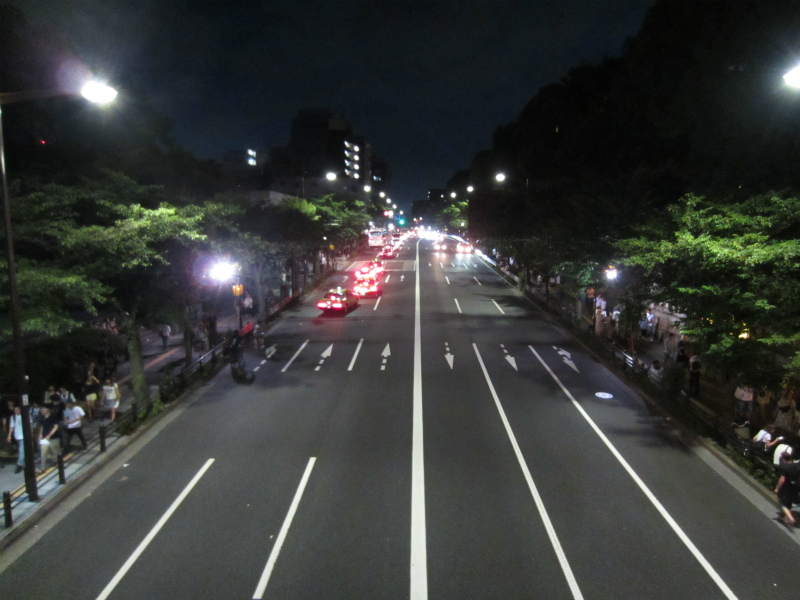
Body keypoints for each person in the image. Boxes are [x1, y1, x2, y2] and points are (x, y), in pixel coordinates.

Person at [774, 451, 800, 527]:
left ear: (782, 458)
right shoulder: (796, 466)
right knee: (789, 502)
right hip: (795, 487)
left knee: (782, 502)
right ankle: (786, 520)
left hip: (786, 487)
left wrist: (777, 488)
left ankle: (791, 518)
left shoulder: (785, 467)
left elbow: (782, 479)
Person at [38, 404, 61, 473]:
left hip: (54, 438)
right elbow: (42, 426)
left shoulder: (53, 416)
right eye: (42, 409)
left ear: (48, 410)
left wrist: (50, 434)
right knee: (43, 453)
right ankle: (42, 467)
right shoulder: (42, 417)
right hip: (45, 439)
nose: (42, 410)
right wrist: (40, 434)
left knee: (55, 453)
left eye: (44, 409)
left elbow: (56, 426)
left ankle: (58, 464)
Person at [6, 404, 25, 474]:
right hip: (17, 436)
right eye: (15, 410)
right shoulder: (13, 417)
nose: (16, 411)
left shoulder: (25, 415)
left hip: (24, 436)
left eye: (18, 409)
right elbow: (11, 427)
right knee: (22, 450)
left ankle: (20, 464)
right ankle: (23, 462)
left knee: (21, 450)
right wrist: (9, 435)